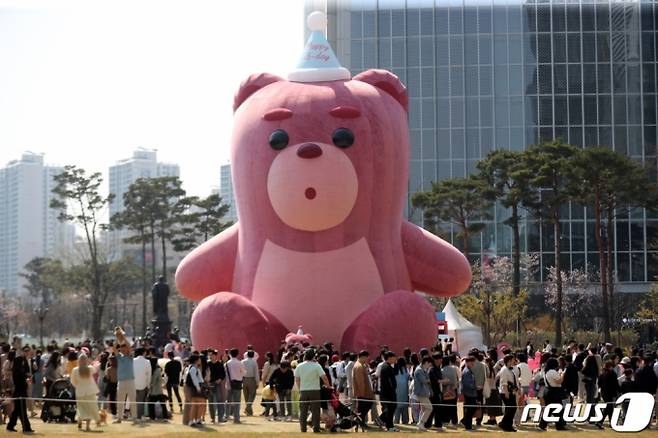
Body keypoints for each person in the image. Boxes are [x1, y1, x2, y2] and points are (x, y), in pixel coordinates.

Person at [294, 349, 329, 433]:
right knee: (315, 410)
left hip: (303, 390)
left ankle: (303, 428)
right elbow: (324, 377)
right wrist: (328, 386)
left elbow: (297, 379)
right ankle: (316, 427)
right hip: (315, 390)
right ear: (314, 356)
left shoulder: (299, 366)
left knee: (303, 411)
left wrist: (300, 389)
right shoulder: (316, 365)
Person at [70, 353, 100, 431]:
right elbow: (95, 370)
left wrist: (78, 386)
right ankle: (87, 426)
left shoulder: (75, 370)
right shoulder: (90, 368)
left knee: (81, 408)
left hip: (80, 392)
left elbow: (72, 381)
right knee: (89, 409)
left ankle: (80, 421)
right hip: (90, 392)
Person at [6, 353, 34, 433]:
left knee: (17, 411)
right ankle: (26, 427)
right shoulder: (17, 372)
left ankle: (11, 426)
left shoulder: (17, 370)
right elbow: (20, 382)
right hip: (20, 392)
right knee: (22, 411)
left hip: (19, 392)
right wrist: (27, 382)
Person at [537, 357, 567, 431]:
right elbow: (559, 381)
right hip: (554, 392)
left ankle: (542, 425)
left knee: (549, 409)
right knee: (559, 410)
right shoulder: (552, 372)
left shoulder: (546, 371)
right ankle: (559, 426)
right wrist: (562, 374)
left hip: (548, 391)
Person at [352, 350, 375, 428]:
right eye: (367, 358)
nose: (367, 359)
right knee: (363, 408)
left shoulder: (362, 365)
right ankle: (360, 422)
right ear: (363, 357)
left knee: (364, 407)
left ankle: (361, 422)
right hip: (363, 393)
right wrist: (362, 393)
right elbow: (360, 381)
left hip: (366, 392)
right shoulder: (359, 366)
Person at [497, 354, 519, 432]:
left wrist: (516, 389)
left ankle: (508, 425)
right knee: (511, 408)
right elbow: (504, 382)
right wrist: (506, 392)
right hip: (505, 392)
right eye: (513, 359)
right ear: (509, 360)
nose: (514, 361)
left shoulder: (510, 369)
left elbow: (512, 381)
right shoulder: (504, 370)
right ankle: (504, 423)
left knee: (512, 408)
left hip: (511, 392)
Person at [115, 343, 137, 423]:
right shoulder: (119, 357)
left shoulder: (130, 356)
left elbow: (130, 348)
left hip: (130, 381)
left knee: (132, 400)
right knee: (120, 400)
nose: (123, 350)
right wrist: (118, 338)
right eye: (122, 348)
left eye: (125, 348)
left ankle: (134, 417)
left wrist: (123, 337)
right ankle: (119, 418)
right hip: (121, 381)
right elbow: (114, 349)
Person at [424, 353, 446, 430]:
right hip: (433, 392)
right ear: (436, 360)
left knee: (436, 409)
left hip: (438, 391)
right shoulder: (432, 369)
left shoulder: (438, 368)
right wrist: (443, 381)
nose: (441, 360)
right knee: (435, 409)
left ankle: (433, 424)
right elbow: (433, 381)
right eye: (440, 359)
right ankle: (433, 425)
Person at [596, 360, 620, 429]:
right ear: (610, 366)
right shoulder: (612, 373)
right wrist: (619, 391)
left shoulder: (602, 374)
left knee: (609, 408)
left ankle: (611, 422)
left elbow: (599, 383)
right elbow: (615, 384)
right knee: (609, 407)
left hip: (604, 393)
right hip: (611, 393)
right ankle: (600, 421)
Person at [378, 351, 398, 432]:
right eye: (394, 357)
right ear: (389, 358)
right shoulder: (386, 367)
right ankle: (388, 425)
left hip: (387, 391)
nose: (395, 359)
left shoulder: (387, 366)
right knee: (390, 408)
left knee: (391, 408)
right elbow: (388, 382)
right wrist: (392, 389)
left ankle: (388, 424)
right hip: (388, 392)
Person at [226, 348, 246, 424]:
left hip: (229, 384)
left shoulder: (227, 363)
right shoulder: (240, 363)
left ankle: (226, 415)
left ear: (230, 354)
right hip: (237, 383)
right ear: (237, 354)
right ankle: (236, 418)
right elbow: (244, 373)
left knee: (228, 401)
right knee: (237, 402)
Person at [184, 354, 204, 427]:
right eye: (199, 359)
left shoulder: (194, 367)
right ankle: (191, 420)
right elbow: (194, 379)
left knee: (198, 404)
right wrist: (198, 387)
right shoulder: (193, 368)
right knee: (194, 404)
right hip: (194, 388)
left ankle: (197, 419)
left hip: (196, 387)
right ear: (196, 360)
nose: (200, 360)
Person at [413, 356, 433, 432]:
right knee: (429, 408)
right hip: (421, 393)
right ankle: (421, 423)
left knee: (424, 408)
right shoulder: (419, 370)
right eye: (429, 364)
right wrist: (429, 380)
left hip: (424, 392)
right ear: (426, 363)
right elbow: (424, 381)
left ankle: (420, 425)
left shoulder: (422, 369)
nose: (429, 366)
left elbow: (426, 380)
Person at [207, 350, 226, 423]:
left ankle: (220, 418)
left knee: (219, 400)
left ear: (215, 356)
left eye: (212, 355)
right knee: (211, 401)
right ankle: (212, 418)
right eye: (209, 355)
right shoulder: (208, 364)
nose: (210, 356)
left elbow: (223, 374)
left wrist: (220, 379)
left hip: (218, 384)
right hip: (210, 384)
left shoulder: (220, 364)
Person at [133, 348, 152, 420]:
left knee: (133, 400)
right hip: (143, 384)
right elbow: (149, 375)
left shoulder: (133, 361)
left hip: (133, 384)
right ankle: (139, 416)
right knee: (140, 401)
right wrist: (148, 385)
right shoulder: (147, 362)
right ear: (143, 353)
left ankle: (134, 415)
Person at [460, 356, 478, 431]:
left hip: (471, 393)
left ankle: (465, 422)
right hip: (469, 393)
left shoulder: (469, 370)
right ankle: (468, 425)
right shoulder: (466, 371)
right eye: (472, 362)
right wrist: (476, 387)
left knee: (472, 408)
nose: (473, 363)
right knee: (471, 409)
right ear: (467, 362)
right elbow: (468, 384)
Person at [241, 350, 258, 416]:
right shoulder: (254, 362)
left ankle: (249, 411)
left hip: (244, 379)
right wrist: (257, 382)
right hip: (251, 379)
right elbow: (256, 373)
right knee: (252, 394)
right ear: (253, 355)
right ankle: (248, 408)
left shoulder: (242, 361)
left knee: (246, 395)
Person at [393, 357, 410, 425]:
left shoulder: (395, 370)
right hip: (404, 393)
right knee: (405, 410)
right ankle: (405, 421)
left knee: (397, 410)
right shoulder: (405, 370)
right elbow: (408, 377)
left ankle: (396, 422)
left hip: (396, 393)